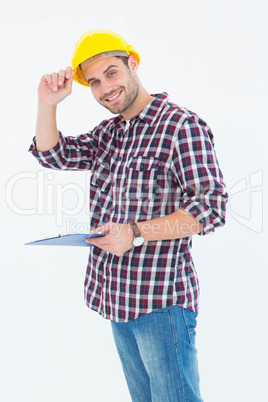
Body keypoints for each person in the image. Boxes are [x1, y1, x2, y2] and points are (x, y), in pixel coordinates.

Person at [29, 29, 228, 401]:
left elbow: (211, 208)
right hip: (117, 300)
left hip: (161, 305)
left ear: (132, 65)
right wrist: (47, 105)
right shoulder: (109, 134)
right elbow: (52, 154)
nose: (105, 88)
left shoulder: (181, 127)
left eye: (111, 73)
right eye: (94, 82)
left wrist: (134, 232)